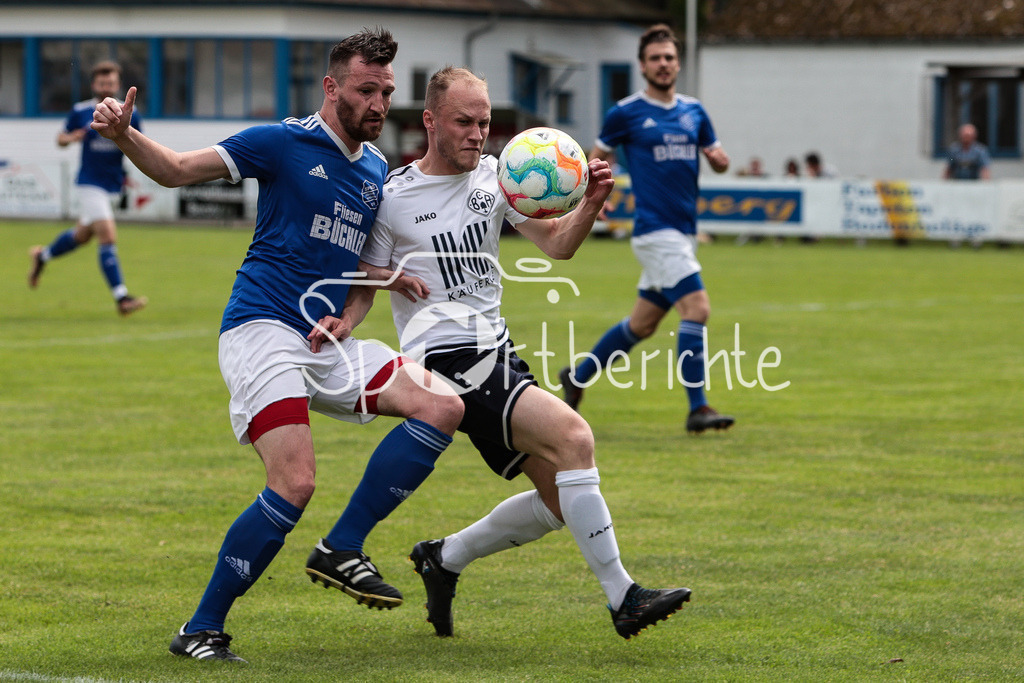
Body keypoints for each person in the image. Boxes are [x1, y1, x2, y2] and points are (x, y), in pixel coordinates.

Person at [91, 28, 465, 663]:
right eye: (365, 90)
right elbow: (178, 170)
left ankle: (342, 547)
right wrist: (124, 134)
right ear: (331, 87)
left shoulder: (377, 170)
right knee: (294, 481)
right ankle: (200, 630)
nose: (378, 103)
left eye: (386, 92)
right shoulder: (283, 142)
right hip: (261, 329)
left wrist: (361, 304)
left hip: (323, 340)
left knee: (443, 405)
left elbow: (357, 266)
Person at [351, 66, 691, 640]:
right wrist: (368, 298)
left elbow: (557, 245)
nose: (476, 133)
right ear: (430, 121)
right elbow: (365, 274)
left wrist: (591, 204)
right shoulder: (393, 197)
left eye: (484, 122)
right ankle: (623, 598)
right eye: (463, 121)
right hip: (446, 361)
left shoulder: (498, 179)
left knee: (560, 499)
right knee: (575, 438)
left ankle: (445, 556)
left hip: (497, 350)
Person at [559, 24, 734, 434]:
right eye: (655, 58)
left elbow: (717, 155)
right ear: (642, 66)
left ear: (678, 63)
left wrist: (720, 159)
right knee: (698, 309)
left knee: (642, 325)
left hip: (683, 232)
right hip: (655, 231)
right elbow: (595, 159)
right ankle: (699, 408)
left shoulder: (695, 111)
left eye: (669, 57)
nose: (663, 64)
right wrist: (590, 197)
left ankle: (578, 377)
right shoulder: (626, 112)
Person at [28, 61, 147, 315]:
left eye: (111, 83)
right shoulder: (81, 111)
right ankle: (122, 298)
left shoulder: (130, 113)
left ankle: (43, 256)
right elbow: (60, 139)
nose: (107, 87)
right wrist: (71, 138)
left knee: (83, 235)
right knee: (108, 236)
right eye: (102, 83)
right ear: (94, 85)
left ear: (117, 85)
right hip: (89, 183)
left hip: (113, 185)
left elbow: (141, 145)